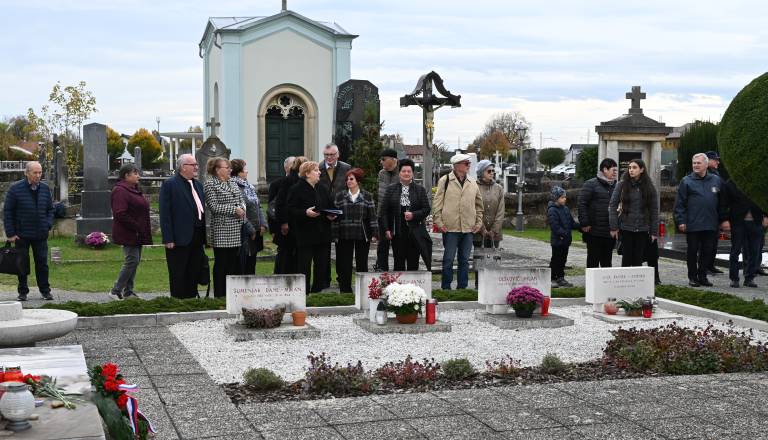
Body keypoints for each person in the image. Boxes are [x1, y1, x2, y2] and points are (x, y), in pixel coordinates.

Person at [674, 153, 729, 287]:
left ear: (706, 164)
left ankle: (702, 276)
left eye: (698, 163)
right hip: (693, 224)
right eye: (694, 163)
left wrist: (723, 219)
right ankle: (692, 277)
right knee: (692, 252)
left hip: (711, 224)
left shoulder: (716, 180)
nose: (696, 165)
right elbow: (680, 203)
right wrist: (681, 221)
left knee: (708, 251)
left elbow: (723, 202)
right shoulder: (686, 181)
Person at [3, 161, 54, 301]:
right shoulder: (15, 189)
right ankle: (23, 292)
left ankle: (45, 291)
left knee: (42, 264)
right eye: (35, 172)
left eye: (40, 172)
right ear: (27, 173)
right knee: (21, 263)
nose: (38, 175)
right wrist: (10, 233)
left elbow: (50, 209)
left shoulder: (44, 189)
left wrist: (48, 224)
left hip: (40, 233)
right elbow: (8, 212)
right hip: (21, 234)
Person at [433, 153, 483, 290]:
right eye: (466, 163)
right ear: (456, 165)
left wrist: (478, 223)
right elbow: (437, 202)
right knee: (448, 259)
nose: (469, 165)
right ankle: (446, 287)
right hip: (450, 227)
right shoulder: (445, 180)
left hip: (468, 228)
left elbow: (479, 205)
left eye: (469, 163)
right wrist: (439, 222)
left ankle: (462, 288)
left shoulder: (472, 182)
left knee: (465, 260)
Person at [160, 154, 206, 299]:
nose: (196, 167)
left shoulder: (198, 185)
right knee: (178, 271)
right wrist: (168, 238)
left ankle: (191, 297)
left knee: (194, 269)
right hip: (179, 237)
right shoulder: (170, 184)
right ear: (183, 167)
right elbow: (165, 213)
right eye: (193, 165)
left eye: (196, 164)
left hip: (197, 235)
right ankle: (178, 300)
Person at [286, 161, 336, 293]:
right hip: (305, 234)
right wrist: (305, 212)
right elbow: (290, 210)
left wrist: (333, 215)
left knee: (321, 266)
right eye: (316, 170)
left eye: (318, 170)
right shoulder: (296, 189)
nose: (319, 172)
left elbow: (332, 207)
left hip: (323, 234)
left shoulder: (322, 188)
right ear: (307, 174)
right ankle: (303, 292)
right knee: (304, 266)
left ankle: (316, 292)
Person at [204, 157, 249, 297]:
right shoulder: (210, 184)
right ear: (217, 170)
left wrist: (242, 208)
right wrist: (234, 209)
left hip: (236, 228)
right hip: (222, 230)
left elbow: (241, 200)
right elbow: (214, 206)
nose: (230, 170)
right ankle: (220, 294)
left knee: (233, 264)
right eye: (227, 167)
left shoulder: (232, 182)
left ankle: (232, 294)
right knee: (221, 264)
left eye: (230, 168)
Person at [109, 163, 152, 300]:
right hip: (129, 232)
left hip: (137, 233)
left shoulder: (132, 189)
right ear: (126, 175)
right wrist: (137, 226)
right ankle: (115, 291)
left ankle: (128, 292)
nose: (138, 176)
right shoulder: (120, 190)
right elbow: (120, 213)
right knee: (132, 260)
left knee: (135, 260)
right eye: (135, 173)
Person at [380, 159, 432, 271]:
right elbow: (383, 211)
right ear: (399, 173)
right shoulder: (391, 189)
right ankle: (398, 288)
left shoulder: (420, 190)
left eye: (409, 171)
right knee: (399, 263)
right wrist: (386, 229)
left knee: (413, 263)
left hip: (415, 232)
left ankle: (412, 288)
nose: (406, 173)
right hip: (397, 232)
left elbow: (427, 209)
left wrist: (414, 215)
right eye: (404, 171)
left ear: (413, 173)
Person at [334, 168, 378, 293]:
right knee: (344, 263)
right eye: (347, 179)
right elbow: (335, 216)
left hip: (362, 233)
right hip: (344, 233)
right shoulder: (340, 195)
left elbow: (372, 216)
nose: (349, 181)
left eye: (351, 179)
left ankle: (363, 290)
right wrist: (335, 234)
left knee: (362, 263)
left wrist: (374, 233)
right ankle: (345, 289)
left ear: (358, 180)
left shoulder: (367, 195)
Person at [608, 159, 659, 268]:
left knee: (638, 258)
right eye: (630, 168)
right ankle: (625, 283)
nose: (631, 170)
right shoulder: (621, 185)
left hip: (642, 228)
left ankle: (637, 283)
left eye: (634, 168)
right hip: (626, 227)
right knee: (626, 258)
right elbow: (612, 206)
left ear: (642, 170)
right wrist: (614, 227)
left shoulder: (649, 187)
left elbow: (654, 210)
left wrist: (654, 231)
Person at [720, 179, 766, 288]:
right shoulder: (730, 184)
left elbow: (765, 199)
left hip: (756, 221)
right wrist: (724, 220)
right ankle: (734, 278)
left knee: (755, 251)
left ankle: (750, 277)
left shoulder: (759, 182)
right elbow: (723, 203)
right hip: (737, 221)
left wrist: (766, 215)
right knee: (735, 251)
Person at [318, 143, 351, 288]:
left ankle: (342, 280)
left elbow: (351, 188)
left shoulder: (346, 168)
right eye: (326, 155)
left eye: (332, 155)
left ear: (338, 154)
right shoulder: (317, 168)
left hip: (342, 213)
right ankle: (324, 281)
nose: (329, 158)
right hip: (323, 214)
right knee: (323, 251)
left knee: (342, 250)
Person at [578, 158, 618, 268]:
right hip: (594, 231)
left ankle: (605, 284)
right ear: (605, 169)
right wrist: (584, 223)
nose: (615, 173)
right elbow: (582, 204)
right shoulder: (590, 184)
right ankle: (591, 284)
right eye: (613, 170)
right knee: (593, 260)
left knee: (607, 261)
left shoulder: (616, 186)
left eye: (616, 171)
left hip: (609, 231)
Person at [231, 159, 267, 275]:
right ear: (238, 172)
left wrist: (262, 223)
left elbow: (258, 206)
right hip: (244, 230)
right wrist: (250, 228)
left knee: (252, 263)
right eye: (245, 169)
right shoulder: (234, 186)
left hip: (256, 229)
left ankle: (251, 288)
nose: (247, 171)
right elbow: (239, 210)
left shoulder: (249, 186)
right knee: (243, 263)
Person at [273, 156, 307, 274]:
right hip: (288, 223)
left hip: (298, 223)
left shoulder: (302, 180)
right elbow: (280, 203)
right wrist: (284, 222)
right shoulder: (289, 181)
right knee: (285, 253)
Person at [548, 186, 579, 287]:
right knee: (556, 259)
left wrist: (581, 226)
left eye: (565, 197)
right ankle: (552, 278)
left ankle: (560, 277)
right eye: (562, 197)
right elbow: (555, 226)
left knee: (563, 260)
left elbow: (571, 223)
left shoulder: (565, 209)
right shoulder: (552, 210)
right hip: (558, 241)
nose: (565, 199)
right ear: (556, 198)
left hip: (565, 241)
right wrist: (564, 234)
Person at [374, 148, 399, 271]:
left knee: (398, 245)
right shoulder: (381, 173)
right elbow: (380, 194)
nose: (381, 162)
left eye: (383, 159)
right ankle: (381, 269)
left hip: (397, 215)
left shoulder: (402, 171)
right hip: (383, 214)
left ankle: (399, 272)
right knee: (382, 244)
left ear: (393, 160)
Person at [268, 156, 294, 273]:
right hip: (281, 226)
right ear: (286, 167)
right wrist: (273, 230)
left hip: (294, 225)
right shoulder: (276, 184)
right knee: (283, 253)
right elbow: (271, 208)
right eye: (294, 163)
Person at [473, 160, 504, 249]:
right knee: (480, 260)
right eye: (489, 171)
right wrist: (482, 228)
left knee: (494, 260)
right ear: (481, 172)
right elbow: (473, 208)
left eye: (493, 171)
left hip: (495, 234)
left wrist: (494, 230)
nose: (492, 173)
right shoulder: (474, 187)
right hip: (478, 233)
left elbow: (501, 210)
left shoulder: (499, 188)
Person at [704, 150, 724, 275]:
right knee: (706, 243)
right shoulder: (705, 174)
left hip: (715, 213)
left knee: (714, 242)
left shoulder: (716, 174)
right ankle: (704, 265)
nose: (718, 162)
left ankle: (711, 265)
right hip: (706, 214)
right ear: (708, 161)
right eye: (715, 159)